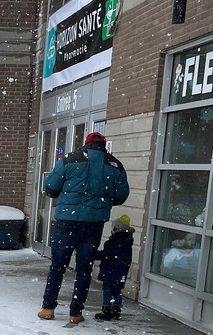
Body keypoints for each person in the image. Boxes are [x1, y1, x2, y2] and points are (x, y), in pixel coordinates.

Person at [37, 132, 129, 324]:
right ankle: (75, 312)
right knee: (84, 269)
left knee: (57, 266)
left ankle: (48, 308)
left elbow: (51, 189)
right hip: (93, 225)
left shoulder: (69, 159)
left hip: (65, 223)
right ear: (104, 146)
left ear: (86, 144)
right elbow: (121, 195)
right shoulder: (115, 165)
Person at [94, 214, 135, 321]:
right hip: (122, 271)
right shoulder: (128, 242)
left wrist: (94, 255)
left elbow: (107, 255)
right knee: (117, 290)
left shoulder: (112, 243)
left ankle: (106, 310)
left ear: (115, 229)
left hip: (110, 270)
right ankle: (116, 310)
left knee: (107, 290)